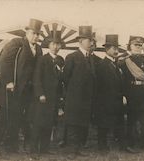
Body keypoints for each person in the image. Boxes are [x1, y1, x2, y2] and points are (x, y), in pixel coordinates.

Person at [0, 19, 43, 154]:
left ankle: (11, 145)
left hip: (25, 90)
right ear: (27, 32)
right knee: (5, 116)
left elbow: (37, 71)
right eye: (33, 33)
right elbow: (4, 61)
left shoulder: (38, 49)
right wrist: (9, 81)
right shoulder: (17, 43)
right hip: (10, 87)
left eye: (38, 34)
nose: (36, 37)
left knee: (18, 116)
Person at [63, 26, 96, 158]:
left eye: (92, 41)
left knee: (83, 124)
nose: (92, 43)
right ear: (81, 41)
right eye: (89, 40)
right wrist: (73, 91)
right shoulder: (72, 57)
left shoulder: (91, 58)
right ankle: (72, 151)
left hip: (87, 99)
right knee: (73, 124)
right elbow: (65, 77)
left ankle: (79, 149)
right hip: (74, 98)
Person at [31, 30, 64, 155]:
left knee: (49, 123)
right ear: (49, 45)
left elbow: (61, 80)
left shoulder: (61, 60)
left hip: (54, 98)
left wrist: (61, 97)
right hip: (43, 97)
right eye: (53, 44)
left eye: (58, 44)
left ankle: (45, 149)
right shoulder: (42, 59)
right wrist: (40, 94)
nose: (56, 47)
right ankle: (34, 150)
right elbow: (37, 78)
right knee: (38, 123)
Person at [119, 36, 144, 152]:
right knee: (131, 119)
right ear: (130, 46)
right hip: (131, 92)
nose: (138, 47)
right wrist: (123, 94)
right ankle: (130, 143)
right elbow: (120, 79)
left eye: (139, 45)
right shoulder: (124, 61)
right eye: (135, 45)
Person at [95, 35, 126, 153]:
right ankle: (102, 147)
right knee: (103, 125)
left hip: (117, 100)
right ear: (106, 49)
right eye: (113, 48)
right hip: (105, 101)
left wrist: (122, 96)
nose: (116, 51)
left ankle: (122, 146)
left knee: (119, 123)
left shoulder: (117, 64)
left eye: (117, 48)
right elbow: (99, 86)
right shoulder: (102, 65)